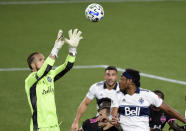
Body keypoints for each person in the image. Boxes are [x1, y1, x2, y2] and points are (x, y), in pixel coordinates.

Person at [25, 29, 83, 131]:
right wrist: (55, 49)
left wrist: (72, 49)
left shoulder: (50, 75)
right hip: (40, 127)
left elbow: (67, 66)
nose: (44, 60)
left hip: (55, 126)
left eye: (44, 58)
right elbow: (45, 68)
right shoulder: (30, 81)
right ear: (32, 65)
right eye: (40, 59)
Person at [111, 68, 186, 131]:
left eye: (122, 79)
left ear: (130, 81)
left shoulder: (148, 95)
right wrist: (114, 119)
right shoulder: (118, 95)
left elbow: (169, 110)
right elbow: (114, 113)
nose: (119, 82)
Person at [71, 66, 119, 131]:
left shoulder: (123, 89)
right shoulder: (96, 87)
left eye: (113, 75)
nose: (110, 78)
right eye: (108, 75)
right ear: (105, 76)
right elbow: (85, 103)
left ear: (116, 76)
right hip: (101, 122)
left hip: (116, 123)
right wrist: (76, 122)